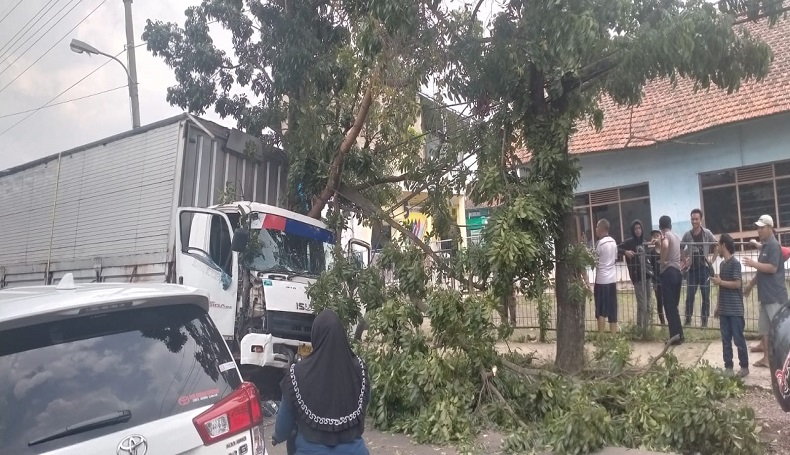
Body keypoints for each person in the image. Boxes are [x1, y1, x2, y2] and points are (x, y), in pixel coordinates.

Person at [273, 309, 371, 454]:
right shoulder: (359, 370)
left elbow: (284, 425)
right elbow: (365, 404)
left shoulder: (297, 373)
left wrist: (277, 437)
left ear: (315, 336)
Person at [743, 215, 788, 369]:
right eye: (758, 227)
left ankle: (781, 358)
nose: (759, 230)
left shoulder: (774, 246)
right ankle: (767, 358)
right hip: (765, 295)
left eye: (762, 228)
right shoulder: (765, 245)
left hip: (774, 295)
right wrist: (750, 285)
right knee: (765, 328)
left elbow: (772, 268)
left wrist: (753, 263)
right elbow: (761, 271)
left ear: (769, 228)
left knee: (777, 329)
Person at [712, 233, 749, 377]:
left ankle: (744, 366)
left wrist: (721, 282)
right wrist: (718, 306)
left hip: (735, 309)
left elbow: (737, 284)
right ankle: (728, 366)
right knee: (725, 339)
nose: (717, 248)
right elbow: (721, 288)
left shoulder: (735, 264)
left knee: (738, 339)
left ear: (724, 245)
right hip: (724, 309)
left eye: (718, 245)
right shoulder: (722, 264)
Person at [681, 209, 718, 327]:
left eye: (696, 219)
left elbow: (716, 245)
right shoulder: (687, 234)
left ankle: (704, 321)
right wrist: (684, 261)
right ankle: (688, 319)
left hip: (704, 268)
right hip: (692, 270)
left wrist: (712, 260)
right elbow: (681, 247)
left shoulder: (707, 233)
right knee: (690, 296)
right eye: (692, 219)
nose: (694, 221)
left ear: (701, 219)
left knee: (705, 295)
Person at [654, 215, 684, 345]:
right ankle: (680, 335)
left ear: (660, 227)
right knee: (674, 308)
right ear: (670, 225)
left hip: (668, 272)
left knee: (669, 307)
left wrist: (662, 260)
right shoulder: (676, 236)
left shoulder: (665, 235)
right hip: (677, 272)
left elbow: (665, 246)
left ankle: (674, 337)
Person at [618, 220, 651, 330]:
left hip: (647, 276)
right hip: (637, 277)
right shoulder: (629, 242)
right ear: (633, 230)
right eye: (636, 228)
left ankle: (642, 326)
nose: (638, 230)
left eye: (639, 228)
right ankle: (643, 328)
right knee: (642, 304)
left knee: (647, 303)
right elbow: (617, 248)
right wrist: (625, 252)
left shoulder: (644, 242)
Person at [594, 219, 618, 334]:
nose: (596, 230)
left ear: (601, 229)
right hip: (612, 279)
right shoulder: (613, 242)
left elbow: (594, 259)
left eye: (597, 227)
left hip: (601, 280)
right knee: (612, 309)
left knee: (601, 311)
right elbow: (615, 259)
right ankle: (614, 337)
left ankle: (601, 337)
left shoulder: (600, 243)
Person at [647, 229, 665, 325]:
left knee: (668, 301)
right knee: (659, 302)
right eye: (654, 236)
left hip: (666, 279)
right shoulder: (651, 252)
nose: (656, 238)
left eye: (657, 235)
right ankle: (663, 323)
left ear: (661, 237)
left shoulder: (665, 248)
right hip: (656, 280)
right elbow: (649, 266)